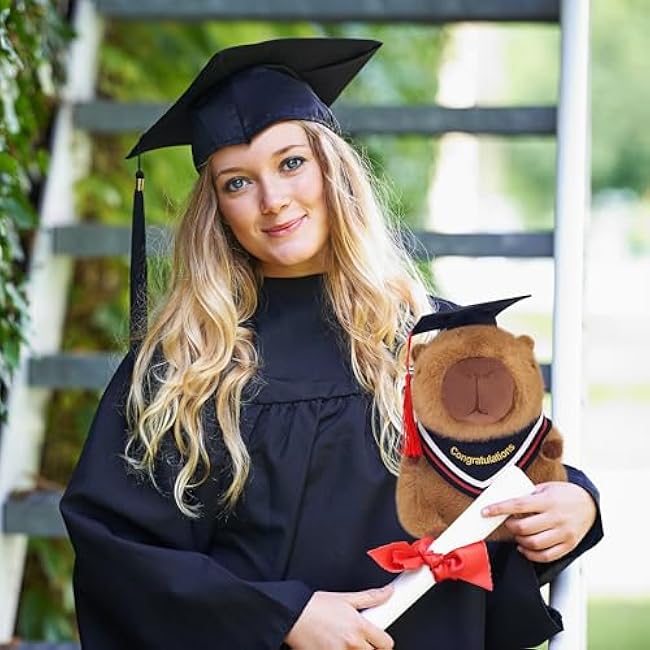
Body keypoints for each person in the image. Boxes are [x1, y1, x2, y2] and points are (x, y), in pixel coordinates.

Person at [61, 37, 603, 650]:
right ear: (217, 210)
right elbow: (120, 555)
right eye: (237, 183)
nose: (273, 201)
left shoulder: (441, 343)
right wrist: (282, 618)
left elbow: (511, 489)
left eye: (292, 163)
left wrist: (576, 506)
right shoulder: (183, 368)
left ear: (333, 169)